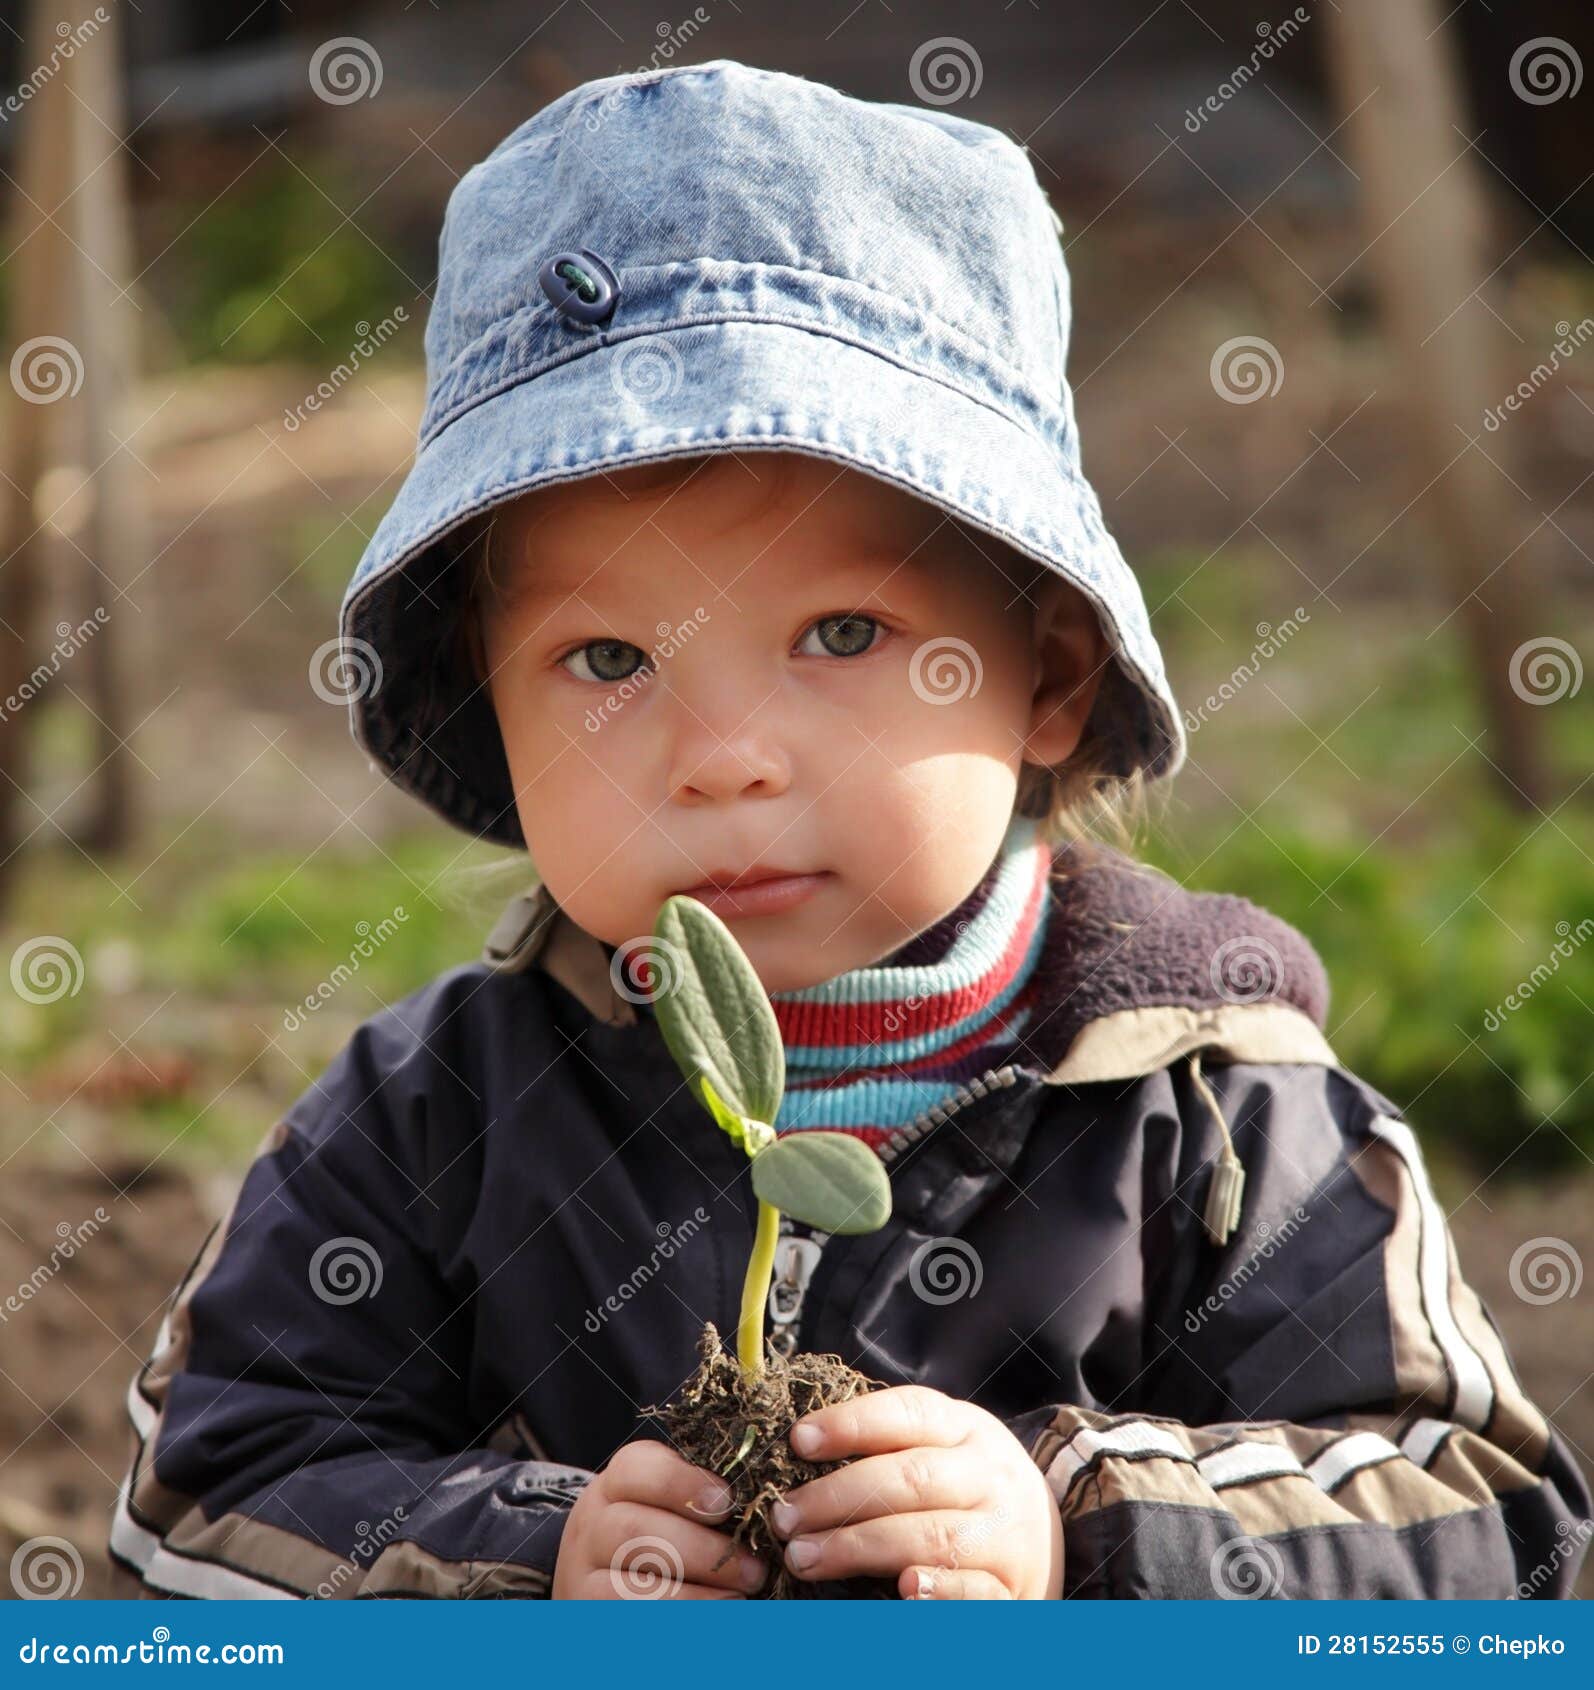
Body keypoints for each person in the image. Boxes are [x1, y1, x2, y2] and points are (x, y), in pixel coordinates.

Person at [111, 58, 1590, 1601]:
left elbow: (1493, 1524)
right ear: (487, 706)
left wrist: (1072, 1517)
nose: (724, 759)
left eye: (839, 634)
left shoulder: (1221, 1119)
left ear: (1048, 675)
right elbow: (203, 1490)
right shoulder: (435, 1113)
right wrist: (538, 1548)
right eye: (609, 661)